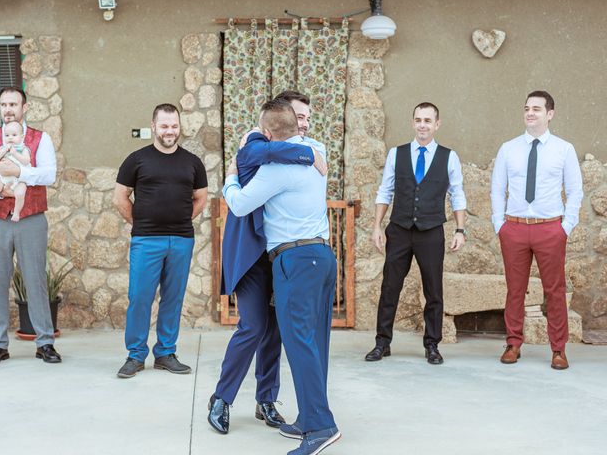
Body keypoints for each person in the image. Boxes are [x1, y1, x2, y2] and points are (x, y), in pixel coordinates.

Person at [223, 99, 340, 455]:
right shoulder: (316, 151)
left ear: (269, 134)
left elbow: (240, 203)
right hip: (322, 255)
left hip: (294, 258)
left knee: (299, 342)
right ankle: (308, 417)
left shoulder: (273, 169)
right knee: (315, 342)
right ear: (297, 125)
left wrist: (229, 178)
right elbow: (291, 145)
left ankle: (320, 426)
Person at [365, 102, 467, 365]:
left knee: (433, 290)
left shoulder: (449, 156)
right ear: (413, 122)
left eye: (428, 120)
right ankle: (382, 342)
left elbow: (457, 194)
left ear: (437, 124)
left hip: (431, 231)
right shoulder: (396, 154)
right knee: (390, 287)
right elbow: (384, 191)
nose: (423, 125)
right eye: (418, 120)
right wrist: (377, 226)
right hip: (399, 229)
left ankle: (432, 344)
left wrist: (460, 229)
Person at [0, 86, 61, 365]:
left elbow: (49, 174)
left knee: (36, 280)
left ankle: (45, 342)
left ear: (25, 108)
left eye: (13, 104)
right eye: (4, 105)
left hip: (30, 218)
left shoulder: (39, 139)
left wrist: (19, 172)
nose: (8, 109)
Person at [113, 103, 208, 378]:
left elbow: (200, 197)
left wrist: (181, 219)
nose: (170, 131)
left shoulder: (192, 162)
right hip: (146, 240)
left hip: (181, 240)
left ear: (180, 127)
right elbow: (120, 198)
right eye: (164, 126)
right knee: (140, 297)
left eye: (174, 126)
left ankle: (165, 353)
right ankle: (135, 355)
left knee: (173, 298)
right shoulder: (136, 159)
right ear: (154, 126)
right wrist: (141, 223)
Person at [491, 90, 583, 370]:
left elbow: (575, 191)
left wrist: (565, 227)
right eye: (527, 108)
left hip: (549, 229)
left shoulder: (564, 149)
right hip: (515, 228)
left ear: (550, 114)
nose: (530, 113)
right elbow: (497, 188)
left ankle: (558, 349)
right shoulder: (508, 148)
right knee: (514, 289)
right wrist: (500, 225)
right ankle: (513, 343)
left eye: (537, 109)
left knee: (554, 290)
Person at [0, 120, 31, 222]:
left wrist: (15, 153)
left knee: (20, 194)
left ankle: (16, 212)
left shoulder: (23, 149)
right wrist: (4, 150)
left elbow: (26, 161)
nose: (10, 137)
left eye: (14, 135)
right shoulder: (3, 148)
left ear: (22, 137)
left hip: (19, 180)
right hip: (3, 179)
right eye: (7, 135)